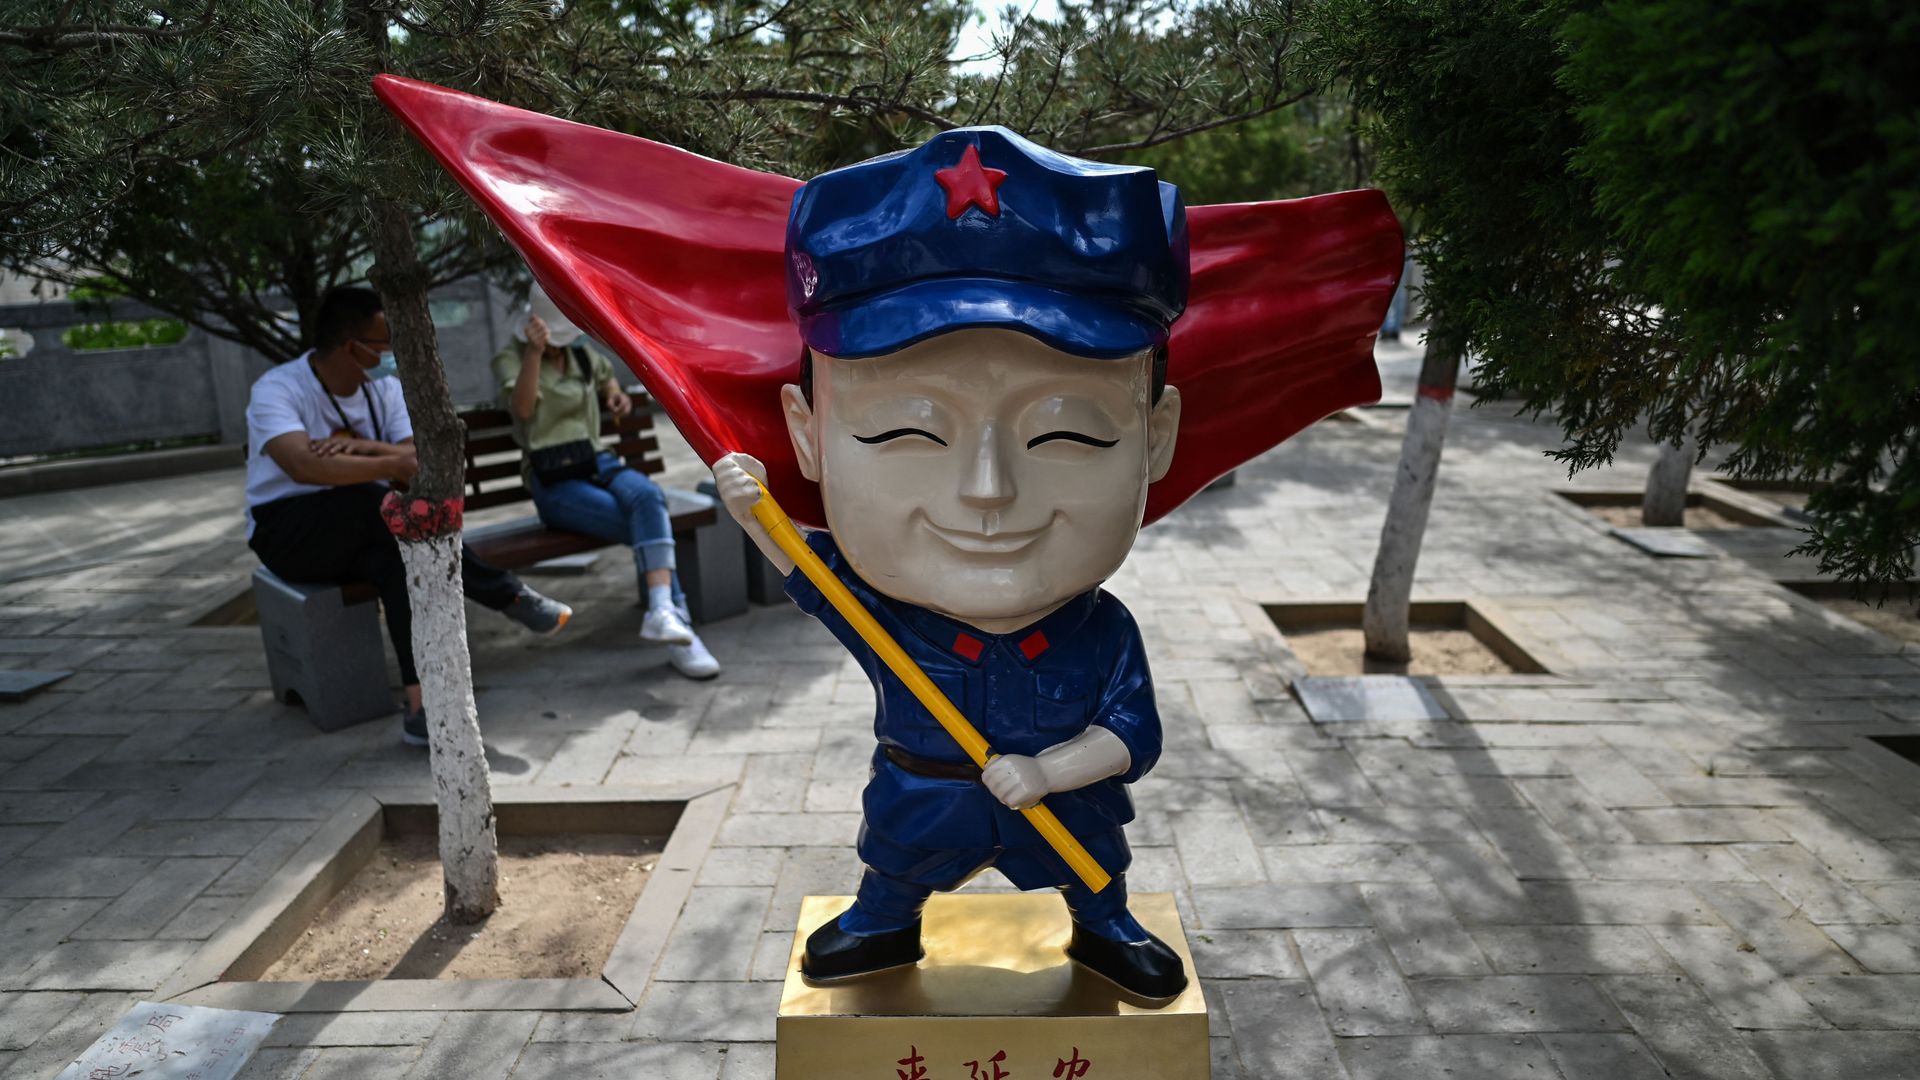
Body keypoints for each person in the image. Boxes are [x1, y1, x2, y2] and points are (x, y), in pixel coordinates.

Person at [711, 128, 1189, 1000]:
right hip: (923, 792)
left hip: (1060, 804)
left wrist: (1050, 771)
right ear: (807, 434)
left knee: (1091, 870)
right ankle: (884, 922)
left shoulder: (1102, 631)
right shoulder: (884, 622)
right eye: (906, 431)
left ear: (1155, 437)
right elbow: (811, 573)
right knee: (895, 864)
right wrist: (756, 513)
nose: (987, 492)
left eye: (1066, 431)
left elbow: (1134, 735)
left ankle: (1105, 925)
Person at [245, 285, 574, 746]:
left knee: (397, 562)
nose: (390, 352)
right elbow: (304, 465)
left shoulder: (386, 391)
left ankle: (420, 708)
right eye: (382, 343)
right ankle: (508, 594)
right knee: (371, 503)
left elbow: (416, 459)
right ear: (351, 346)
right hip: (290, 533)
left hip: (370, 527)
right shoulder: (278, 388)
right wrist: (390, 462)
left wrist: (364, 451)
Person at [490, 283, 720, 679]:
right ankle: (676, 628)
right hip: (553, 480)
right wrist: (534, 352)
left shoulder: (582, 355)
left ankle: (663, 611)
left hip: (596, 460)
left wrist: (615, 394)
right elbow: (523, 408)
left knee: (648, 497)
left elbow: (606, 380)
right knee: (649, 524)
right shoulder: (511, 357)